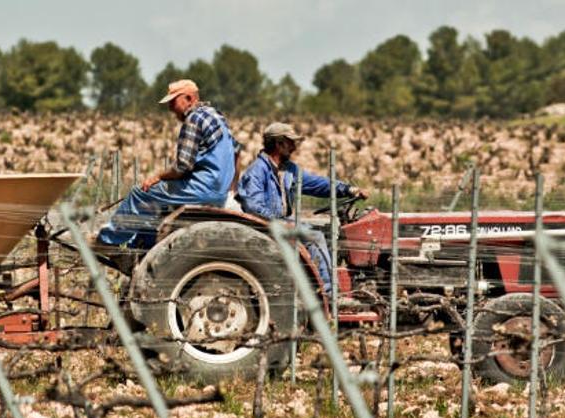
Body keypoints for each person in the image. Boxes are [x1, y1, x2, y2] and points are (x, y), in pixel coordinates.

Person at [96, 79, 237, 249]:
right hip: (219, 192)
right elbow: (236, 150)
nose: (170, 108)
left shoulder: (193, 119)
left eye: (173, 102)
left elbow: (182, 167)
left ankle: (108, 240)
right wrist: (230, 187)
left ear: (189, 98)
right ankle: (142, 245)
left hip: (202, 189)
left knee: (141, 193)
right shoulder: (217, 116)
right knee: (158, 205)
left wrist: (157, 176)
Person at [237, 122, 367, 293]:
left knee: (324, 233)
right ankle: (329, 293)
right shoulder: (257, 171)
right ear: (278, 143)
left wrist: (347, 189)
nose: (294, 147)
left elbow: (317, 184)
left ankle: (321, 284)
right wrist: (280, 222)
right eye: (290, 142)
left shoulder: (288, 170)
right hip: (264, 227)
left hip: (280, 223)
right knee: (315, 237)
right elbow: (253, 206)